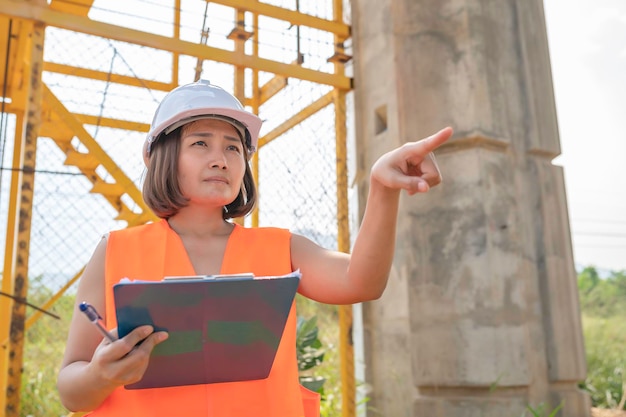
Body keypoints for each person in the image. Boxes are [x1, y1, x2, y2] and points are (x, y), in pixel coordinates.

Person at [57, 79, 453, 416]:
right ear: (161, 156)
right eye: (200, 143)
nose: (221, 159)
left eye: (233, 148)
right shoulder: (114, 250)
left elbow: (361, 282)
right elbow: (71, 390)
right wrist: (99, 375)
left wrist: (382, 190)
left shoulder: (281, 247)